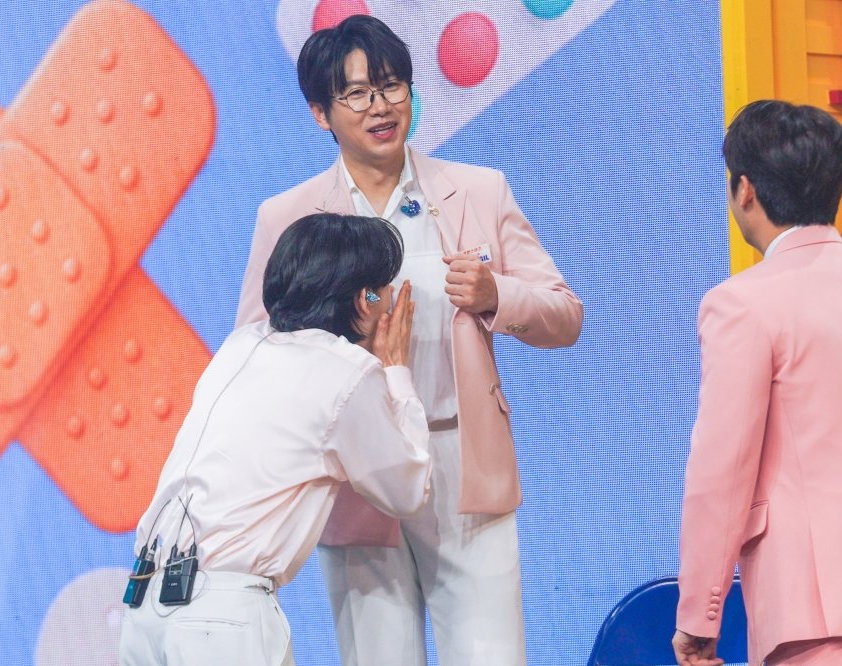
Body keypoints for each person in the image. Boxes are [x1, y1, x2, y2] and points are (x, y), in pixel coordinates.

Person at [236, 15, 582, 665]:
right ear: (320, 113)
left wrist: (496, 295)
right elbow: (256, 352)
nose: (380, 106)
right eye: (356, 93)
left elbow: (565, 315)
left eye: (392, 85)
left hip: (464, 461)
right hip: (358, 476)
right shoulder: (290, 217)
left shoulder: (477, 191)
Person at [118, 213, 431, 666]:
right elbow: (407, 490)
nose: (391, 303)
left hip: (144, 606)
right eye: (385, 290)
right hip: (221, 621)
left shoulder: (240, 344)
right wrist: (396, 369)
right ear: (364, 301)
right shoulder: (347, 372)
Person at [673, 100, 842, 666]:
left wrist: (699, 616)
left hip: (816, 613)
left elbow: (722, 470)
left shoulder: (742, 305)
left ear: (745, 190)